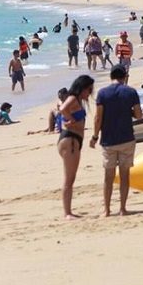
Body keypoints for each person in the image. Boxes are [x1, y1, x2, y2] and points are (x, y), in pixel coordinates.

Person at [90, 65, 143, 217]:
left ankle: (106, 210)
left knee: (108, 176)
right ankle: (123, 208)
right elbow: (139, 115)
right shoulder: (131, 92)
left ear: (111, 76)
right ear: (124, 76)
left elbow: (98, 117)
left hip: (108, 140)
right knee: (125, 175)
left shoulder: (102, 93)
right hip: (127, 137)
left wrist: (94, 136)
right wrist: (128, 111)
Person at [58, 75, 94, 220]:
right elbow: (62, 109)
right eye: (89, 89)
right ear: (82, 88)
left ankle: (69, 211)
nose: (90, 92)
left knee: (71, 178)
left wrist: (70, 119)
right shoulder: (73, 98)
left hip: (74, 139)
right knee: (69, 179)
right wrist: (71, 120)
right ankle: (67, 213)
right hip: (70, 140)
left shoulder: (79, 100)